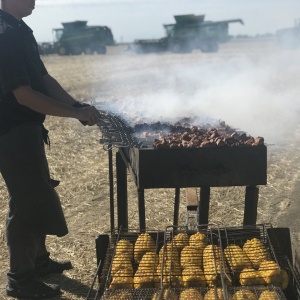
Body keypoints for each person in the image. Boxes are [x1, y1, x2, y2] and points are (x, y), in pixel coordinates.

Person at [0, 0, 102, 298]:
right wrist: (74, 115)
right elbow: (24, 96)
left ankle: (39, 262)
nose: (34, 1)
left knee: (34, 193)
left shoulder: (21, 30)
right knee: (28, 203)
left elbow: (43, 80)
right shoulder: (4, 35)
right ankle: (21, 279)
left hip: (26, 130)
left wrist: (75, 105)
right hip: (10, 132)